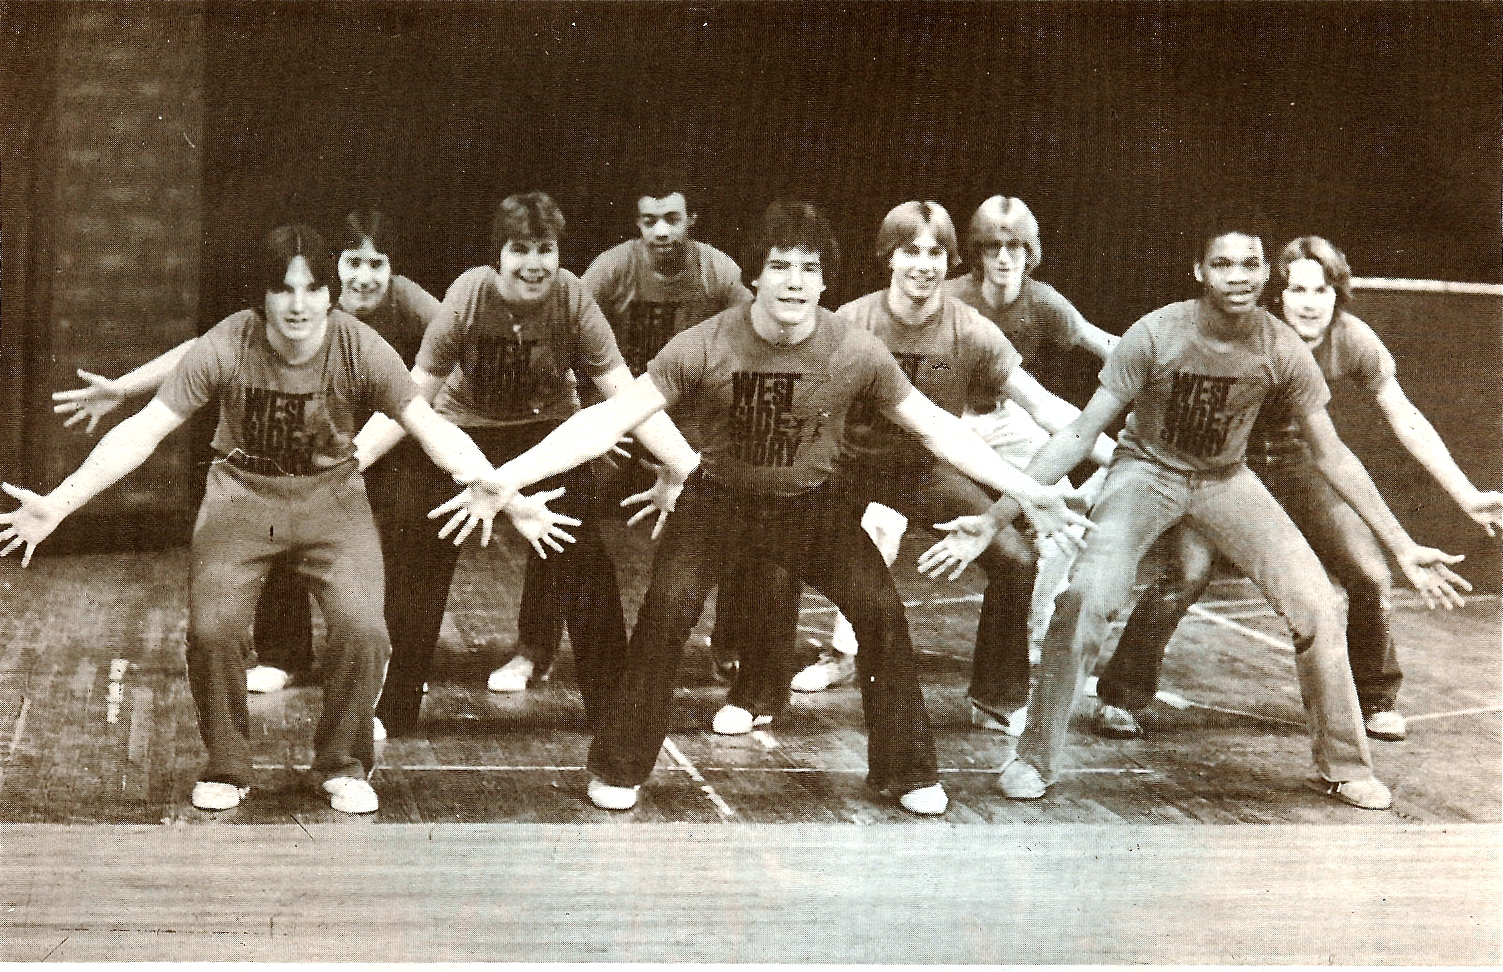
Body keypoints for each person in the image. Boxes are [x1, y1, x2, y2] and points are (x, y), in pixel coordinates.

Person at [433, 200, 1093, 816]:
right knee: (665, 612)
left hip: (813, 507)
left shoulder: (854, 349)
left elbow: (935, 429)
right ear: (754, 275)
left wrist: (1027, 488)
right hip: (719, 502)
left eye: (808, 268)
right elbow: (607, 420)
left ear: (824, 281)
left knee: (881, 612)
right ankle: (618, 766)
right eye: (780, 265)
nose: (794, 280)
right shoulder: (706, 342)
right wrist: (501, 477)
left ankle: (908, 771)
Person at [1, 224, 554, 814]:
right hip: (242, 495)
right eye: (283, 290)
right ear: (262, 295)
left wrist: (501, 487)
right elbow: (146, 429)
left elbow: (431, 428)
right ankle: (228, 764)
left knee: (364, 631)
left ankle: (342, 761)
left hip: (331, 498)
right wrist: (61, 500)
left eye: (312, 288)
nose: (298, 304)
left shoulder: (360, 346)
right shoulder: (230, 341)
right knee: (213, 631)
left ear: (329, 293)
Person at [922, 223, 1469, 811]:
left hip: (1225, 481)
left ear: (1265, 274)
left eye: (1250, 264)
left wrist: (1403, 545)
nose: (1239, 276)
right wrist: (997, 516)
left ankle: (1344, 764)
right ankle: (1034, 758)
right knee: (1088, 597)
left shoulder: (1280, 347)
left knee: (1317, 603)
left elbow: (1333, 454)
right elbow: (1080, 431)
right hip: (1145, 472)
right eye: (1224, 264)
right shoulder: (1156, 333)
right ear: (1200, 271)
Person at [712, 200, 1116, 738]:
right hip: (841, 465)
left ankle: (996, 698)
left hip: (917, 467)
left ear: (950, 262)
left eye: (935, 253)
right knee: (780, 549)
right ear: (889, 258)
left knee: (1016, 559)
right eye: (910, 251)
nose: (923, 264)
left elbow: (1042, 406)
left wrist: (1115, 450)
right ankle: (758, 691)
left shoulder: (969, 329)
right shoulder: (853, 320)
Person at [1093, 236, 1503, 741]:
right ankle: (1124, 694)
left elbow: (1403, 416)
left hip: (1299, 465)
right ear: (1277, 295)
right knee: (1187, 572)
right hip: (1228, 467)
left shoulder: (1352, 338)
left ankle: (1374, 698)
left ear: (1339, 294)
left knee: (1371, 574)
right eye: (1297, 290)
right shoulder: (1254, 335)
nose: (1310, 303)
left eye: (1323, 290)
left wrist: (1464, 492)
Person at [51, 209, 441, 698]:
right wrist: (124, 388)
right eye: (352, 262)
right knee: (278, 519)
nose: (364, 276)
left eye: (378, 264)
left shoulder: (409, 305)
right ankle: (284, 655)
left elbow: (453, 349)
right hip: (304, 441)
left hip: (387, 437)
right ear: (331, 269)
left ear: (394, 270)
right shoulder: (304, 300)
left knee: (405, 527)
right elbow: (205, 349)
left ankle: (396, 666)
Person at [352, 192, 700, 735]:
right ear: (498, 256)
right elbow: (411, 400)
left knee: (581, 555)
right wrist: (351, 462)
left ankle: (613, 710)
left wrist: (683, 466)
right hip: (465, 431)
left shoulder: (574, 299)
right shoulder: (468, 296)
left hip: (546, 435)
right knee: (421, 549)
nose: (535, 264)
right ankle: (390, 705)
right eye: (521, 250)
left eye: (546, 249)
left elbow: (627, 397)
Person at [490, 169, 758, 694]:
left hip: (689, 430)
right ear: (638, 224)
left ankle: (732, 649)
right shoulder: (612, 269)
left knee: (737, 504)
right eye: (649, 221)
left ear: (692, 222)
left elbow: (753, 338)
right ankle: (534, 649)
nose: (660, 232)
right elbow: (559, 326)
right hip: (615, 424)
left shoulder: (719, 273)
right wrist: (582, 417)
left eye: (672, 219)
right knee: (561, 505)